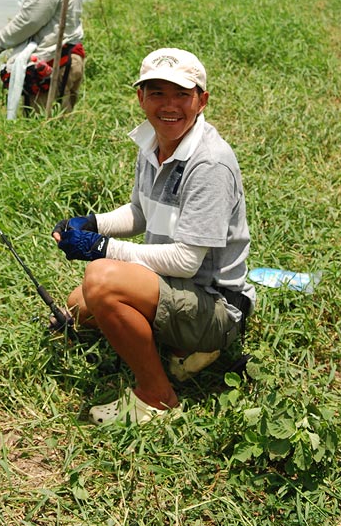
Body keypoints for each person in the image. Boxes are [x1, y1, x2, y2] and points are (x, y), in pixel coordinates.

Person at [52, 47, 255, 426]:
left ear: (202, 100)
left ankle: (157, 396)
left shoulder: (209, 162)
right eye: (157, 92)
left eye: (182, 94)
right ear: (141, 98)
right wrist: (92, 223)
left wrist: (101, 249)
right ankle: (180, 351)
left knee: (101, 280)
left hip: (215, 304)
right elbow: (141, 212)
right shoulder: (153, 143)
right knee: (80, 305)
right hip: (177, 286)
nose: (170, 105)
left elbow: (186, 260)